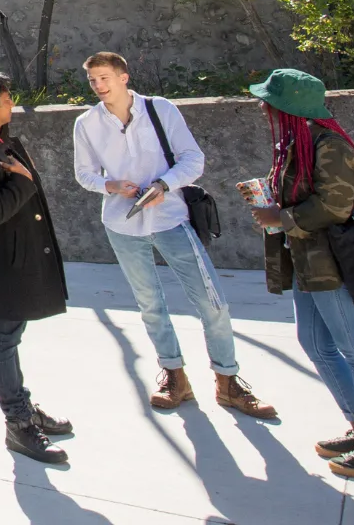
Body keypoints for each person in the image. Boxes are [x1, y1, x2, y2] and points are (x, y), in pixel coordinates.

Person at [70, 52, 277, 420]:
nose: (98, 86)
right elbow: (84, 175)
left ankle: (228, 381)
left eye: (104, 78)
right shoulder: (86, 123)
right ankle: (175, 377)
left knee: (212, 301)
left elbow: (192, 159)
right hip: (122, 223)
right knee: (150, 306)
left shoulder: (160, 109)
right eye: (92, 80)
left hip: (171, 218)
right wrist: (110, 185)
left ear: (123, 77)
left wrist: (165, 185)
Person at [247, 68, 354, 480]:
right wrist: (268, 202)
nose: (262, 105)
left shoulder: (330, 146)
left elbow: (335, 207)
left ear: (288, 106)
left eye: (269, 99)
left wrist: (279, 216)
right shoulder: (299, 142)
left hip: (338, 265)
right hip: (309, 264)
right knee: (317, 345)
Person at [0, 70, 72, 464]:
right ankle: (18, 424)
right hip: (4, 262)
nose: (12, 105)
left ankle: (23, 407)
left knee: (11, 335)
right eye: (7, 99)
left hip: (16, 256)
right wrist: (23, 181)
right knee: (3, 338)